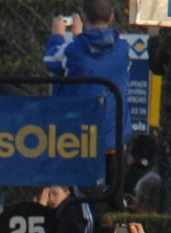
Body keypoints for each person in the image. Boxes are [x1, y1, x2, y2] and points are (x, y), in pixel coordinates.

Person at [44, 4, 131, 189]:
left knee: (82, 195)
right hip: (114, 137)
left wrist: (57, 35)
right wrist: (79, 37)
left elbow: (51, 60)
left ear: (83, 17)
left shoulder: (72, 50)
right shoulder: (123, 48)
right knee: (112, 196)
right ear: (111, 17)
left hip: (81, 140)